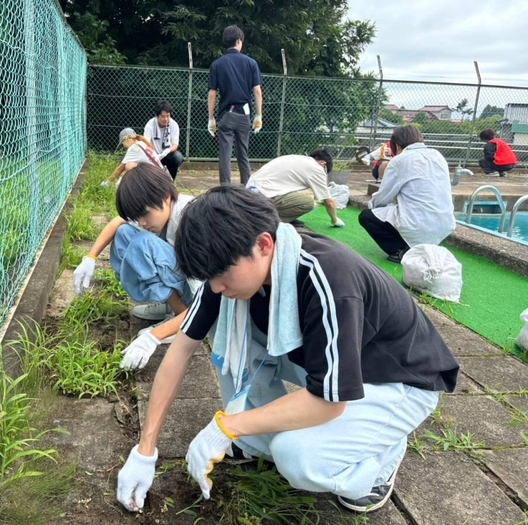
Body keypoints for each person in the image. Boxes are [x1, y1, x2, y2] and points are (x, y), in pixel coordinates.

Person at [116, 186, 459, 515]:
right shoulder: (228, 273)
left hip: (398, 380)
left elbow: (328, 402)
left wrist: (227, 426)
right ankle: (255, 442)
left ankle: (378, 466)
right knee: (228, 334)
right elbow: (181, 351)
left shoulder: (328, 278)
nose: (216, 287)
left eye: (221, 275)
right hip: (339, 367)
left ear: (264, 244)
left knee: (296, 457)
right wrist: (145, 451)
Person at [74, 164, 193, 370]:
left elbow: (208, 301)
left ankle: (178, 317)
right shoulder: (157, 208)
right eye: (137, 217)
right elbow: (118, 222)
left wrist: (154, 337)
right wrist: (90, 257)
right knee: (124, 234)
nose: (142, 223)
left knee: (142, 244)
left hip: (201, 293)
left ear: (166, 197)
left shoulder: (190, 219)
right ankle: (168, 306)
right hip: (184, 274)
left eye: (145, 215)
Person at [359, 126, 455, 264]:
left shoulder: (400, 160)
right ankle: (419, 244)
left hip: (416, 225)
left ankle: (402, 251)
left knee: (367, 216)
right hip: (445, 225)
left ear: (397, 145)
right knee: (401, 212)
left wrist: (373, 209)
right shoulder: (438, 155)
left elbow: (383, 197)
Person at [208, 25, 263, 185]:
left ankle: (225, 189)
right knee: (243, 154)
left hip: (226, 115)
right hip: (244, 114)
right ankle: (246, 189)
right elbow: (257, 91)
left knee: (225, 154)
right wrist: (258, 115)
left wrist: (211, 118)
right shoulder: (251, 63)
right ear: (239, 41)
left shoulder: (217, 65)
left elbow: (212, 93)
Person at [246, 150, 345, 228]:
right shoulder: (316, 168)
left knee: (302, 195)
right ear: (323, 164)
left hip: (250, 193)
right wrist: (334, 220)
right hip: (262, 196)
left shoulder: (296, 158)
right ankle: (266, 221)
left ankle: (281, 217)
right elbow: (329, 202)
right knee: (308, 203)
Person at [144, 100, 184, 181]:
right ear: (157, 116)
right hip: (153, 155)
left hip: (167, 155)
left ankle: (171, 181)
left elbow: (175, 145)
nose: (166, 119)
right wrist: (154, 154)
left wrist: (166, 151)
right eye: (163, 116)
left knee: (178, 157)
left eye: (168, 116)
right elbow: (146, 143)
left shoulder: (174, 125)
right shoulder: (150, 125)